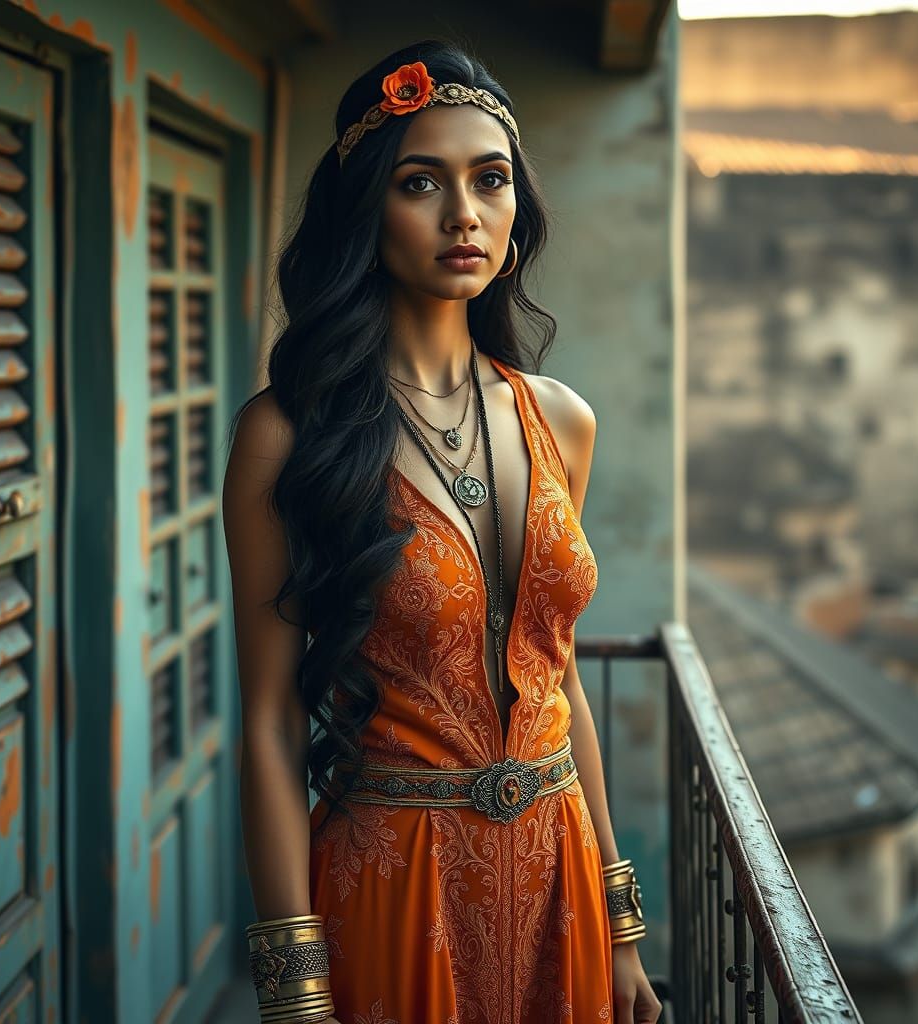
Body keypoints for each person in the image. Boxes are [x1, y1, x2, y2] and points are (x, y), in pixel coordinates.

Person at [222, 39, 664, 1024]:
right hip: (393, 886)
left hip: (560, 876)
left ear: (517, 210)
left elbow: (557, 678)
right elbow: (265, 719)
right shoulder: (287, 435)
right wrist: (296, 990)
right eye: (421, 181)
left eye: (490, 179)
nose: (464, 213)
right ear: (364, 207)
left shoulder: (561, 418)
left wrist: (620, 917)